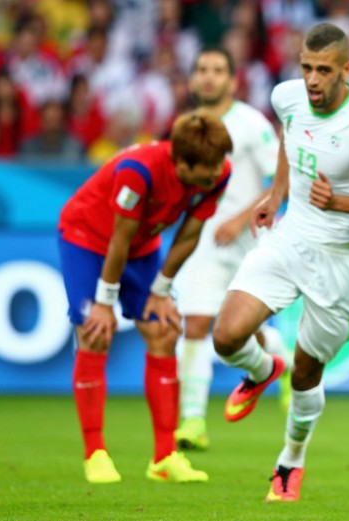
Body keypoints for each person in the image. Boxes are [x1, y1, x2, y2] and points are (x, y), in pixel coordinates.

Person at [210, 22, 349, 502]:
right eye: (306, 68)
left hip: (343, 261)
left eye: (324, 70)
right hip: (291, 238)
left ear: (347, 68)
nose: (313, 80)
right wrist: (276, 193)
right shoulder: (288, 97)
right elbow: (290, 137)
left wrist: (340, 202)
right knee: (226, 336)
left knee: (306, 372)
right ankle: (262, 370)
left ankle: (290, 461)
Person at [57, 109, 233, 484]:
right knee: (94, 331)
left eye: (220, 163)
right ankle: (95, 453)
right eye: (208, 167)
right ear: (181, 163)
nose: (217, 172)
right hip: (87, 238)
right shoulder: (139, 171)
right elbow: (118, 237)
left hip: (140, 246)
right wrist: (104, 303)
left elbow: (189, 233)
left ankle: (164, 457)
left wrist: (161, 290)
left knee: (164, 330)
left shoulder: (218, 172)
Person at [169, 46, 292, 452]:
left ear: (233, 79)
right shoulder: (185, 126)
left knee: (244, 333)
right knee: (197, 323)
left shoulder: (252, 124)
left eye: (217, 70)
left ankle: (281, 359)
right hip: (203, 241)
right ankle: (191, 420)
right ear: (191, 79)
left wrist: (240, 218)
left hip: (248, 241)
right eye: (201, 69)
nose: (208, 76)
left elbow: (278, 181)